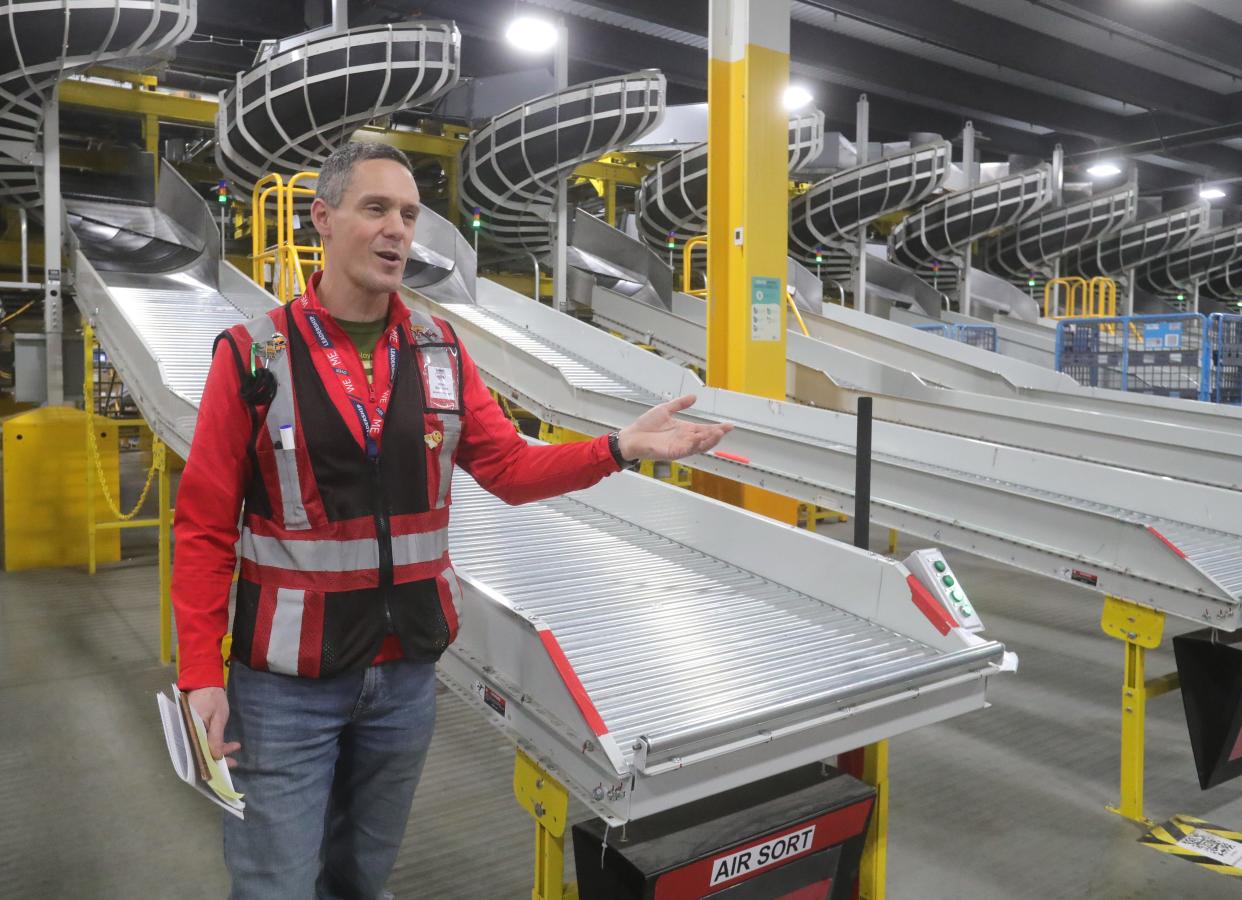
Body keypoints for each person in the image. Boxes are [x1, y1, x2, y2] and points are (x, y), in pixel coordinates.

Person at [171, 141, 732, 899]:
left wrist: (618, 447)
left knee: (363, 878)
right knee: (274, 883)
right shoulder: (252, 356)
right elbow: (203, 528)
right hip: (287, 688)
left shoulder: (439, 351)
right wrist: (202, 673)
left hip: (404, 676)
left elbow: (508, 468)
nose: (398, 229)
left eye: (408, 214)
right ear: (322, 220)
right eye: (376, 209)